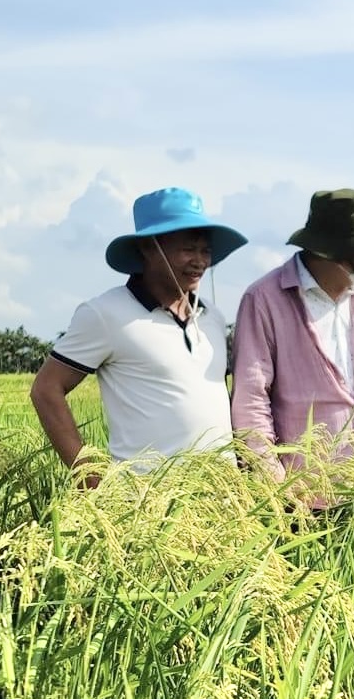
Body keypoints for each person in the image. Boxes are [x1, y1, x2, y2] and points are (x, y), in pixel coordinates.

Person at [30, 187, 245, 482]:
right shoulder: (105, 313)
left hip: (222, 497)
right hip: (147, 500)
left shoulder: (213, 318)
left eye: (205, 251)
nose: (199, 261)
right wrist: (88, 474)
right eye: (188, 249)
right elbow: (46, 389)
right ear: (148, 248)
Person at [230, 189, 354, 483]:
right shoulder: (265, 300)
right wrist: (275, 482)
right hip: (304, 493)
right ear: (329, 253)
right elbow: (250, 400)